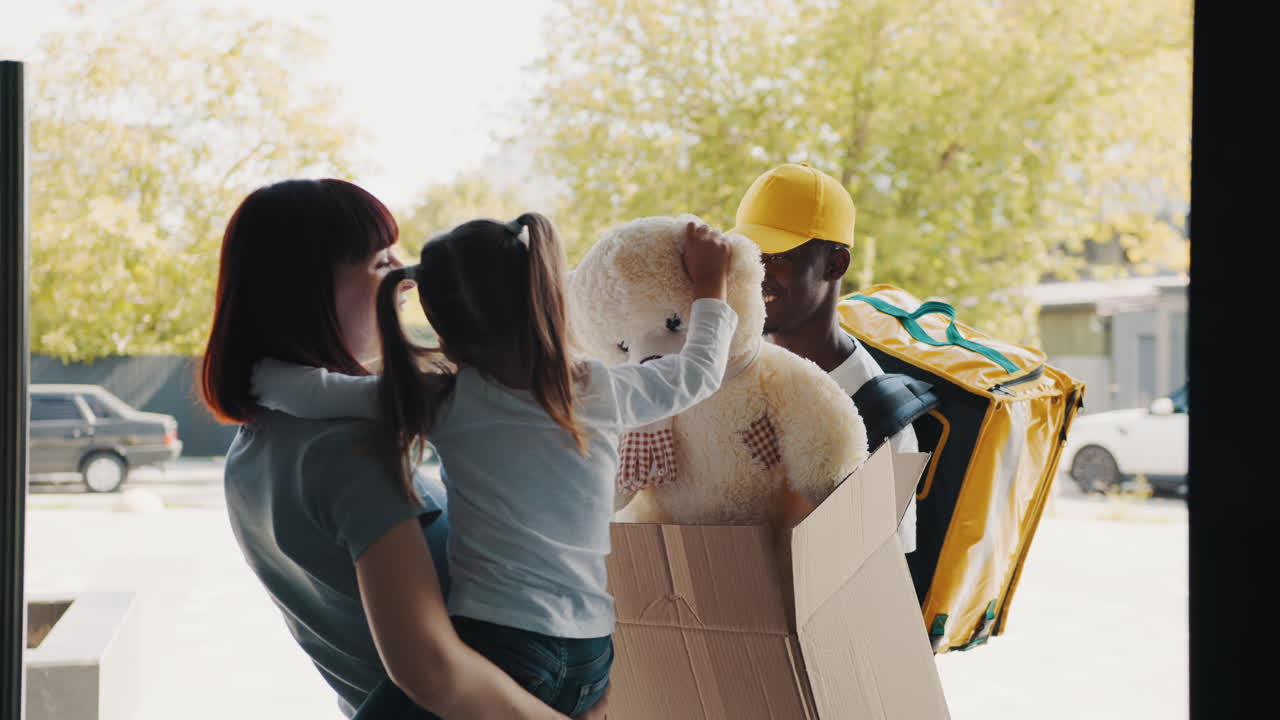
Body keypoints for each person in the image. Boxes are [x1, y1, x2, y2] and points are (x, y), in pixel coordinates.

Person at [250, 213, 739, 717]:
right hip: (591, 655)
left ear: (442, 326)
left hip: (500, 644)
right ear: (543, 297)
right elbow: (700, 371)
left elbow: (321, 393)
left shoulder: (447, 399)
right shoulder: (598, 391)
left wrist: (258, 373)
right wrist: (710, 282)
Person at [201, 179, 607, 720]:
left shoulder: (255, 447)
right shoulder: (349, 452)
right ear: (305, 290)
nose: (406, 281)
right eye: (380, 262)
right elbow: (432, 671)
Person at [730, 162, 930, 554]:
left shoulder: (880, 418)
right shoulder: (730, 372)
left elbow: (881, 574)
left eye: (780, 257)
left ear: (835, 264)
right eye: (751, 255)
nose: (758, 274)